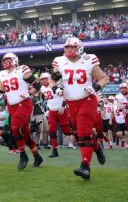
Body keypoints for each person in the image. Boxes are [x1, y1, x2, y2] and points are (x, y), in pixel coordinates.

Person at [51, 37, 108, 180]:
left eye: (72, 47)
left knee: (83, 133)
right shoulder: (60, 61)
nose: (69, 50)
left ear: (79, 48)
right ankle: (97, 148)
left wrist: (95, 87)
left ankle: (85, 166)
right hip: (71, 103)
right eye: (67, 47)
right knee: (78, 132)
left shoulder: (89, 59)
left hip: (87, 100)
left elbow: (104, 78)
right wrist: (55, 88)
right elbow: (53, 79)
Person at [0, 52, 43, 170]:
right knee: (25, 133)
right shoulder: (2, 74)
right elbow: (3, 90)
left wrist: (29, 93)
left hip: (23, 104)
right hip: (12, 106)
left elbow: (38, 85)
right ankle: (37, 156)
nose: (5, 62)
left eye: (8, 59)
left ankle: (23, 155)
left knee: (14, 128)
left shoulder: (21, 70)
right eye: (4, 60)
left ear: (14, 60)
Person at [39, 72, 71, 157]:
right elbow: (48, 99)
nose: (42, 81)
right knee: (52, 130)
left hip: (61, 110)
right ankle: (55, 150)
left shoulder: (56, 85)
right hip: (52, 111)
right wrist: (47, 109)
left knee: (67, 131)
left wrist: (63, 106)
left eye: (44, 79)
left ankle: (85, 140)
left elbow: (65, 95)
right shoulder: (42, 88)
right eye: (41, 79)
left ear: (49, 78)